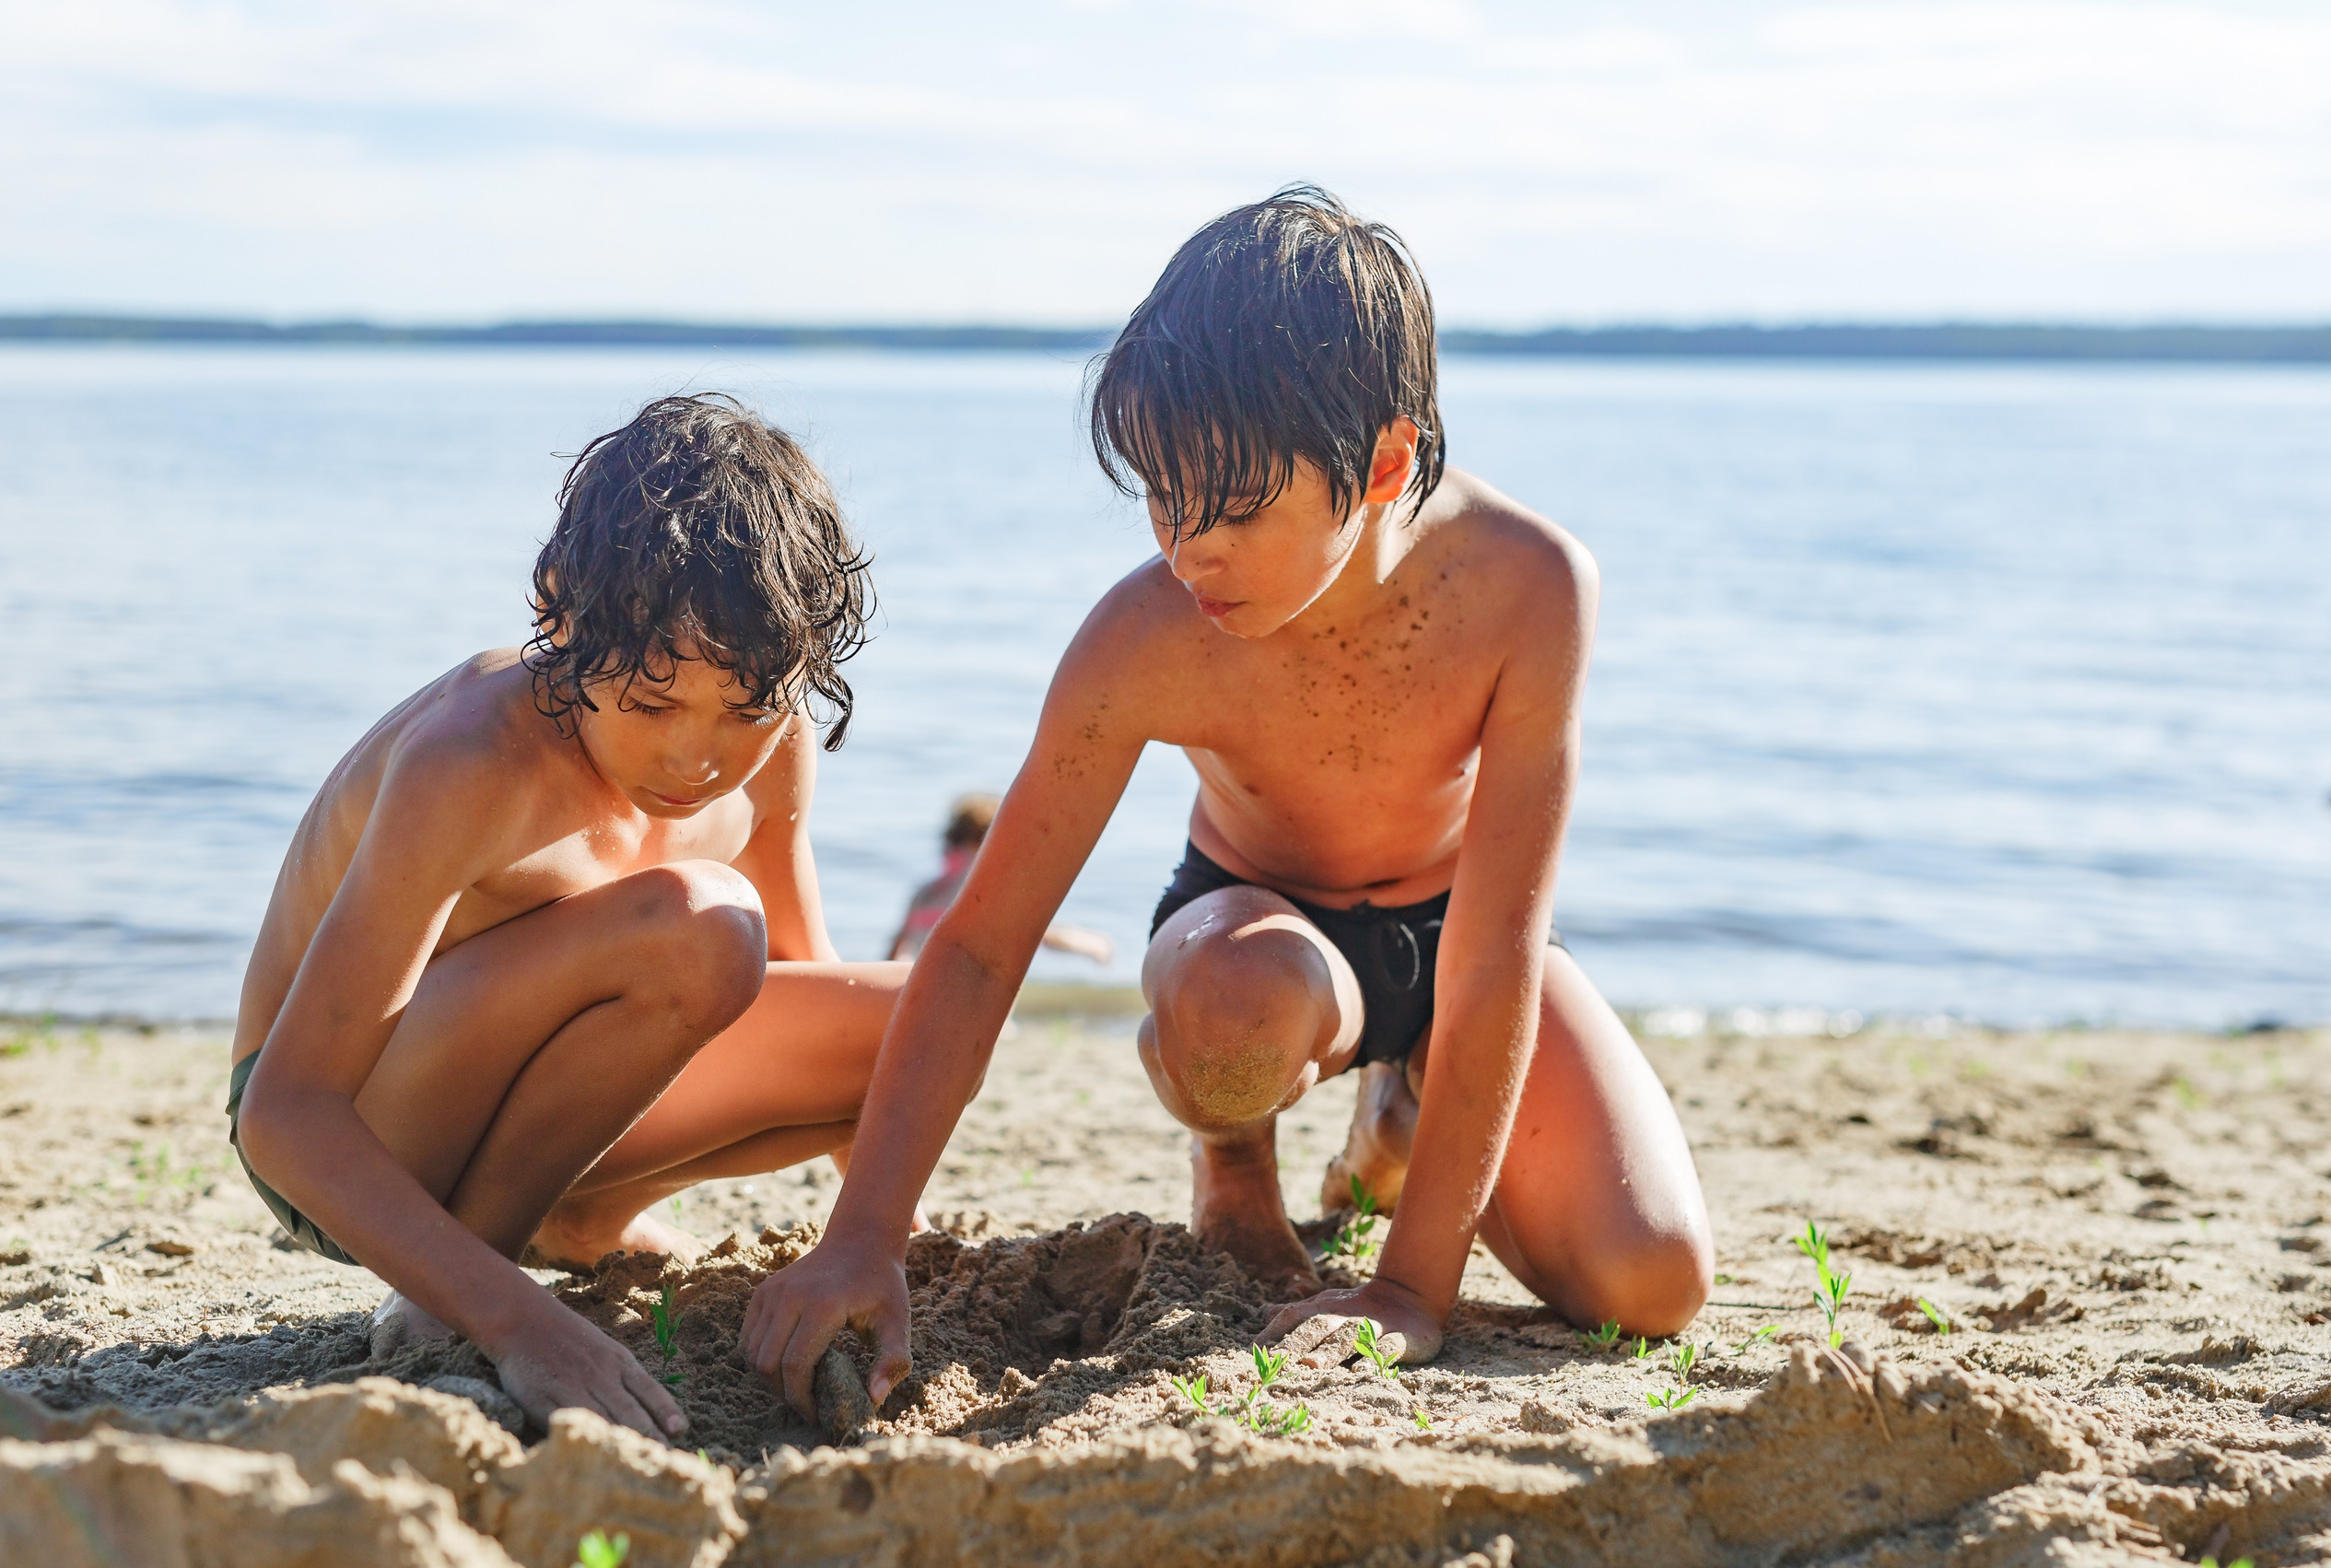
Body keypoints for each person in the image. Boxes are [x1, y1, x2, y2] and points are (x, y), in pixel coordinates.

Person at [742, 187, 1714, 1420]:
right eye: (1162, 494)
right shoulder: (1145, 637)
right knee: (1237, 1012)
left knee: (1652, 1278)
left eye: (1236, 509)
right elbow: (982, 947)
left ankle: (1398, 1113)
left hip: (1460, 936)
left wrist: (1408, 1289)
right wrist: (862, 1235)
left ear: (1385, 463)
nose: (1187, 548)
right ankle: (1234, 1158)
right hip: (1255, 933)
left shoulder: (1530, 586)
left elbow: (1495, 958)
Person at [229, 394, 908, 1440]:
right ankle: (461, 1282)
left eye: (746, 709)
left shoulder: (773, 748)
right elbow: (285, 1115)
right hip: (351, 1141)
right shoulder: (472, 761)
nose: (697, 757)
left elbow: (808, 989)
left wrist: (875, 1242)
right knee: (704, 925)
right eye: (653, 704)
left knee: (918, 1025)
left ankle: (581, 1216)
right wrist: (517, 1323)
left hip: (540, 1121)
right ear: (560, 616)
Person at [888, 793, 1116, 965]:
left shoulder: (926, 893)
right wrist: (1092, 944)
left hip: (919, 988)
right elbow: (1043, 935)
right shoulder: (989, 891)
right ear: (993, 842)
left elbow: (897, 948)